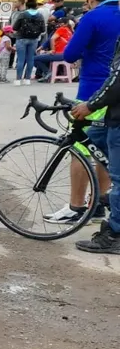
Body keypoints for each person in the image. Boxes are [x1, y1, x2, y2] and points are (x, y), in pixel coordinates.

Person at [50, 0, 120, 225]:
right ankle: (99, 202)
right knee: (104, 151)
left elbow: (70, 54)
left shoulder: (93, 17)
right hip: (116, 94)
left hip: (92, 91)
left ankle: (76, 206)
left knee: (79, 149)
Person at [70, 36, 120, 254]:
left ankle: (115, 235)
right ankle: (104, 199)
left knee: (118, 178)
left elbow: (117, 79)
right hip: (112, 110)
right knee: (96, 136)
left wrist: (91, 104)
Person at [12, 0, 44, 85]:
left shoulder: (22, 14)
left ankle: (18, 80)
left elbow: (15, 27)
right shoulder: (40, 15)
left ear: (27, 5)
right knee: (30, 59)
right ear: (36, 6)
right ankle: (27, 79)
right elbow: (43, 29)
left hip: (21, 38)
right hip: (34, 39)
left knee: (21, 60)